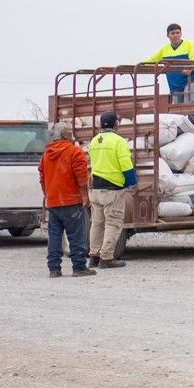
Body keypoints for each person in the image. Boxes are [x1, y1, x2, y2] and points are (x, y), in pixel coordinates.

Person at [38, 123, 93, 278]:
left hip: (53, 202)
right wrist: (85, 196)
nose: (72, 133)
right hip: (72, 202)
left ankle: (54, 269)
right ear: (64, 134)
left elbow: (42, 178)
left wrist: (48, 194)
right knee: (76, 236)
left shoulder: (46, 154)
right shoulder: (74, 151)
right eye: (69, 131)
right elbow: (82, 178)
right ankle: (79, 267)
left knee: (54, 236)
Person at [86, 111, 135, 270]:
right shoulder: (118, 141)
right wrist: (131, 182)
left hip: (95, 189)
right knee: (113, 223)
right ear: (116, 124)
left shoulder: (94, 141)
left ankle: (93, 257)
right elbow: (126, 165)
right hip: (112, 189)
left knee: (97, 224)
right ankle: (106, 258)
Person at [144, 22, 194, 102]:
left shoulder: (189, 45)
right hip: (175, 83)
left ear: (181, 34)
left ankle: (192, 113)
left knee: (188, 102)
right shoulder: (164, 49)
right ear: (168, 35)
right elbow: (151, 61)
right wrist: (135, 67)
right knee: (178, 109)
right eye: (172, 33)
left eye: (177, 33)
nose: (175, 35)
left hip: (190, 80)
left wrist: (190, 68)